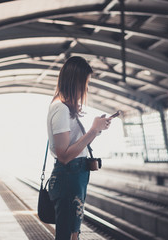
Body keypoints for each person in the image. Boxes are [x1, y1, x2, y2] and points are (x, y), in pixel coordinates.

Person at [47, 56, 112, 240]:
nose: (87, 88)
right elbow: (64, 155)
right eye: (86, 83)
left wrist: (97, 130)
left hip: (75, 176)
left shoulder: (64, 108)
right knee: (67, 234)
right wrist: (93, 130)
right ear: (76, 82)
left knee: (72, 233)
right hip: (69, 175)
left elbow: (75, 145)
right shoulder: (60, 109)